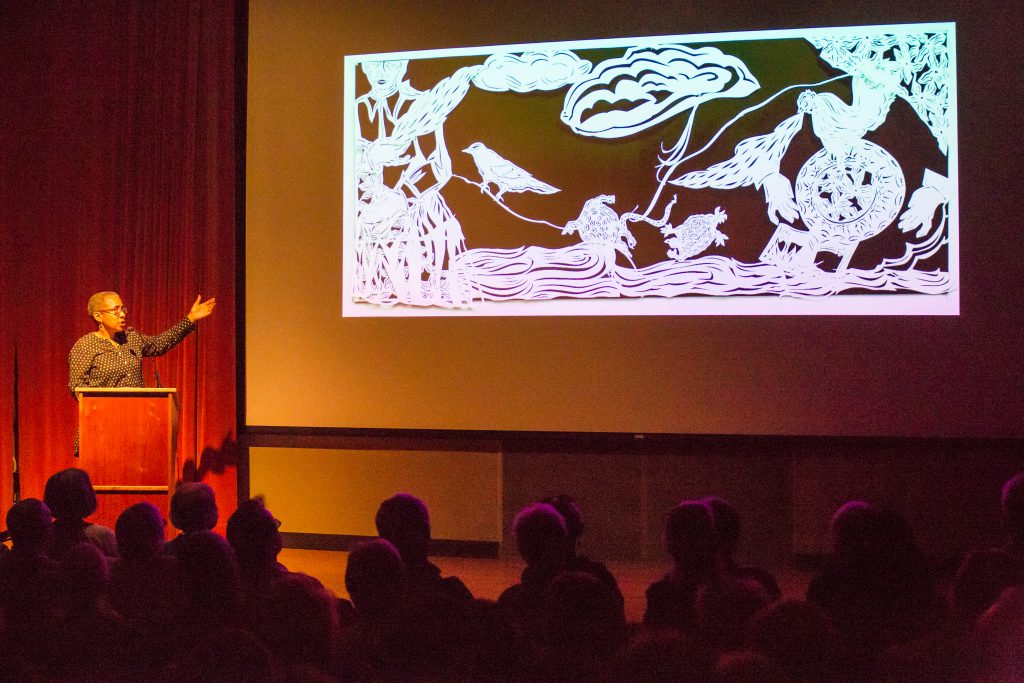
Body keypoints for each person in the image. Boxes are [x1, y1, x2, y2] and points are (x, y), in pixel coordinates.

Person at [68, 291, 215, 394]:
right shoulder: (85, 346)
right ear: (98, 316)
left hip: (136, 418)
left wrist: (190, 319)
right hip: (100, 424)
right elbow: (77, 388)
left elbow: (159, 344)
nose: (122, 313)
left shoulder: (131, 338)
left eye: (123, 309)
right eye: (115, 310)